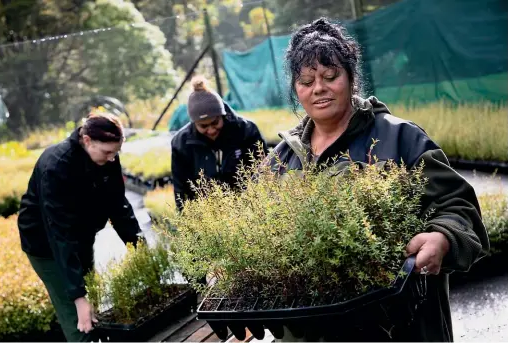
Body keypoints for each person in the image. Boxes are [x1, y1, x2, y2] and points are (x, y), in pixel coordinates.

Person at [268, 18, 489, 341]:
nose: (319, 88)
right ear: (295, 89)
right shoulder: (282, 158)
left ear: (351, 79)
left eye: (331, 76)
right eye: (305, 81)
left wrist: (442, 238)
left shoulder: (399, 139)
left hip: (399, 325)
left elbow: (459, 206)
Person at [17, 110, 142, 342]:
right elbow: (60, 236)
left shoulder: (107, 158)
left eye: (116, 153)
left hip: (81, 235)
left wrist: (138, 246)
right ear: (86, 141)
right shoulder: (56, 166)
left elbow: (118, 204)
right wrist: (78, 296)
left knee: (92, 300)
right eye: (107, 152)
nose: (112, 159)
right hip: (46, 244)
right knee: (77, 314)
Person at [171, 76, 269, 212]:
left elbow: (265, 173)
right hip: (208, 215)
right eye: (203, 126)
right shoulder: (181, 143)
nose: (211, 130)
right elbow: (181, 192)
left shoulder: (246, 131)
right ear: (194, 123)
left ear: (222, 115)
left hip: (248, 208)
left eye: (215, 123)